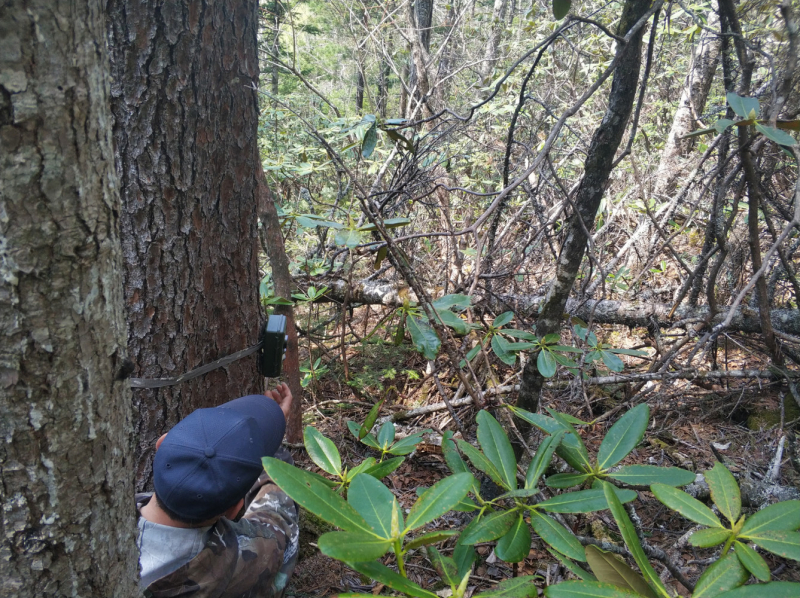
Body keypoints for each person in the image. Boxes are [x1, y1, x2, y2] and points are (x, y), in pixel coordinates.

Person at [135, 383, 298, 598]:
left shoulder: (95, 526)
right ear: (234, 510)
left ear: (161, 444)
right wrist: (272, 454)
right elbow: (279, 519)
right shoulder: (241, 560)